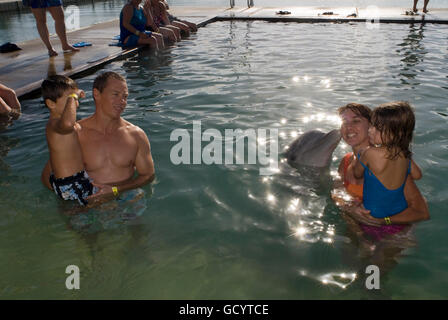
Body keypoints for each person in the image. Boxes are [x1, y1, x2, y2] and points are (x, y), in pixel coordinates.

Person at [41, 71, 155, 204]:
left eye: (125, 96)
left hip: (126, 199)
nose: (122, 101)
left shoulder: (136, 135)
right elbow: (47, 176)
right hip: (89, 206)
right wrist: (71, 204)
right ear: (97, 94)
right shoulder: (76, 132)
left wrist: (116, 190)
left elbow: (148, 175)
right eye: (115, 95)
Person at [334, 103, 429, 241]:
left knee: (377, 262)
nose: (348, 127)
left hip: (391, 236)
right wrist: (349, 207)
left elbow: (421, 212)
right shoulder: (346, 160)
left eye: (356, 121)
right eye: (344, 122)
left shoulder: (392, 162)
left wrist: (385, 221)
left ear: (371, 125)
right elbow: (337, 190)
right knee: (350, 261)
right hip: (356, 229)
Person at [353, 102, 422, 221]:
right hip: (398, 216)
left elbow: (357, 174)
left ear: (396, 133)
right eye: (371, 125)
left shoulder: (369, 153)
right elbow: (417, 175)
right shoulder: (405, 155)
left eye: (378, 128)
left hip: (372, 217)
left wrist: (360, 155)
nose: (370, 130)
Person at [41, 75, 96, 206]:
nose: (75, 103)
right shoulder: (55, 124)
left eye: (76, 99)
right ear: (51, 104)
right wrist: (73, 96)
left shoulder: (62, 126)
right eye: (70, 99)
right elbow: (67, 123)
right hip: (71, 182)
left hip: (69, 180)